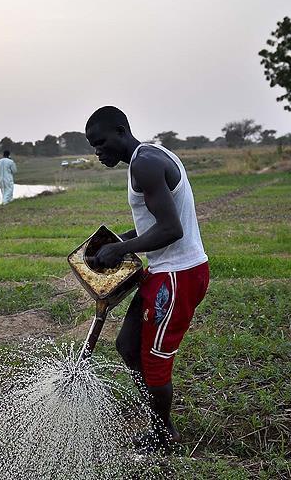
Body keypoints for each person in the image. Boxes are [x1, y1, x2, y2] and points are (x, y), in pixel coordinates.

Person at [85, 106, 209, 452]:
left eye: (101, 142)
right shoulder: (147, 156)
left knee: (154, 361)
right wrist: (119, 243)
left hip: (178, 275)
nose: (98, 152)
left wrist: (121, 249)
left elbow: (171, 229)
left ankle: (164, 434)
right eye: (93, 146)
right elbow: (155, 222)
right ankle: (159, 423)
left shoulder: (145, 165)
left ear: (121, 131)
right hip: (164, 270)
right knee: (127, 345)